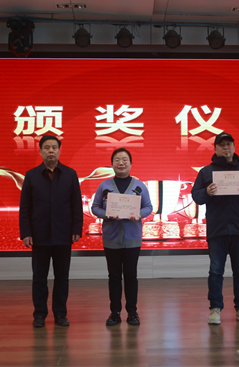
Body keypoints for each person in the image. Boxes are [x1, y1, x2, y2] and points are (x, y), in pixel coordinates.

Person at [192, 132, 239, 325]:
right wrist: (206, 192)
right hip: (217, 229)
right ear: (215, 148)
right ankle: (215, 309)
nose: (226, 147)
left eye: (229, 144)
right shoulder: (206, 172)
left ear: (234, 147)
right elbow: (196, 196)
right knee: (216, 271)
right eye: (221, 145)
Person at [19, 135, 83, 328]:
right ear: (40, 151)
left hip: (64, 234)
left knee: (62, 278)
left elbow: (76, 205)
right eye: (46, 147)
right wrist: (26, 232)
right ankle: (39, 314)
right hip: (39, 235)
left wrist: (76, 228)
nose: (51, 151)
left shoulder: (70, 174)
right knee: (39, 278)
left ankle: (60, 314)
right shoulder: (31, 175)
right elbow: (25, 207)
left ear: (59, 150)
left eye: (54, 147)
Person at [91, 148, 153, 326]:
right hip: (111, 239)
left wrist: (139, 214)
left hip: (132, 239)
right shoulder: (104, 186)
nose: (121, 163)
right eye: (117, 159)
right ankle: (115, 312)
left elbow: (149, 207)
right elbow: (95, 207)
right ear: (112, 164)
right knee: (114, 277)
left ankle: (132, 312)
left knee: (131, 276)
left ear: (131, 163)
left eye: (125, 159)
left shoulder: (139, 186)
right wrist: (106, 214)